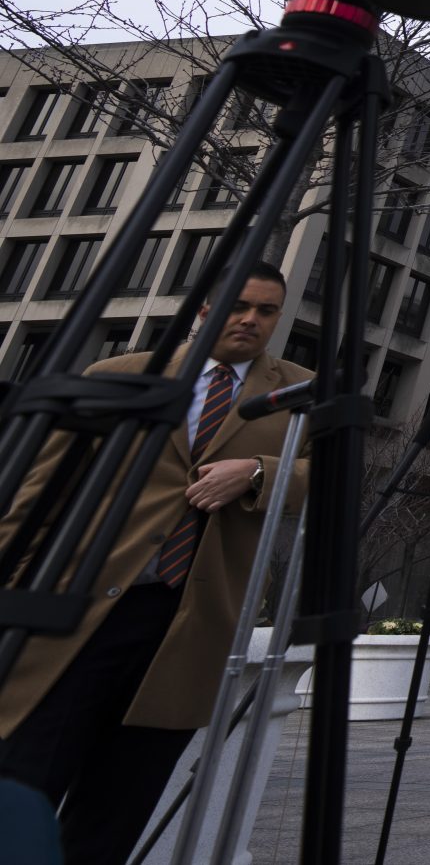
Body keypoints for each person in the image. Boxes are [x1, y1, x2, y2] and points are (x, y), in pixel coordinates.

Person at [0, 263, 311, 864]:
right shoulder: (120, 377)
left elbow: (331, 470)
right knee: (24, 783)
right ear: (203, 310)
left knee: (117, 809)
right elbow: (39, 496)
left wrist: (256, 473)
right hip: (77, 613)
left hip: (188, 624)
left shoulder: (299, 394)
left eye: (266, 311)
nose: (250, 319)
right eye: (238, 306)